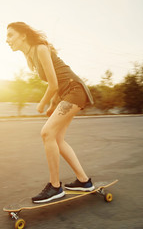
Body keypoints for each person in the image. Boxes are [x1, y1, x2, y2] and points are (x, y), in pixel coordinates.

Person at [6, 22, 95, 203]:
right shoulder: (30, 57)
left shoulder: (40, 48)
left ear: (23, 35)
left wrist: (43, 103)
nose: (7, 40)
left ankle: (55, 187)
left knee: (47, 133)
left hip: (75, 91)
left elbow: (54, 84)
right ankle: (84, 181)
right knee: (57, 139)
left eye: (10, 35)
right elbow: (56, 83)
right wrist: (54, 104)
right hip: (67, 94)